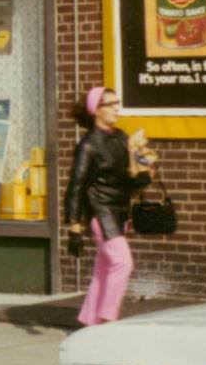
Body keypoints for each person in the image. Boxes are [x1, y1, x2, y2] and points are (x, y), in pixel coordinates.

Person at [63, 86, 154, 327]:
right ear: (96, 111)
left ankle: (90, 320)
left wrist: (143, 166)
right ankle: (107, 319)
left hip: (120, 211)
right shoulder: (88, 145)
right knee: (123, 263)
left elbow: (132, 171)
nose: (116, 108)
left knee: (103, 270)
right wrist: (74, 225)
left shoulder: (121, 137)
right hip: (101, 212)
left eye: (117, 103)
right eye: (110, 104)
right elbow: (76, 186)